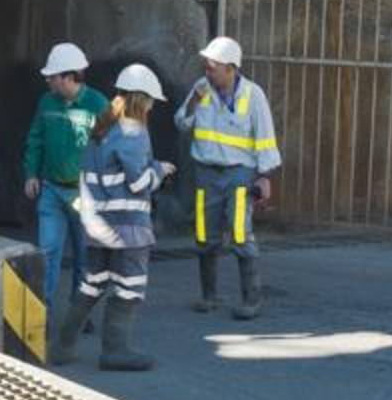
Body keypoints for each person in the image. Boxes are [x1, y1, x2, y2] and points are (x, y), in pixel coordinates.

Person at [51, 64, 175, 371]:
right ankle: (115, 351)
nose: (151, 108)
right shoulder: (135, 130)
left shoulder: (103, 128)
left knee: (92, 284)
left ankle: (63, 347)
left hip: (98, 226)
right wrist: (160, 170)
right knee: (129, 286)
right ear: (141, 99)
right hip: (128, 228)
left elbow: (108, 173)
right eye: (150, 102)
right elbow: (137, 183)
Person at [173, 36, 280, 319]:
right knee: (204, 236)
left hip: (239, 175)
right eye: (206, 67)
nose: (207, 72)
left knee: (240, 234)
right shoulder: (201, 90)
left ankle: (251, 300)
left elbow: (265, 138)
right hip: (206, 174)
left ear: (231, 69)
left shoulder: (253, 95)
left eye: (213, 67)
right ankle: (209, 296)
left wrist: (264, 176)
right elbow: (181, 123)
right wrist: (194, 101)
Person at [22, 42, 109, 312]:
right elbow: (35, 139)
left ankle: (79, 316)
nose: (48, 80)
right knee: (47, 255)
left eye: (53, 76)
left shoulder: (98, 105)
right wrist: (30, 174)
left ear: (69, 77)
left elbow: (111, 149)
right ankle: (42, 319)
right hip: (51, 190)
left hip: (86, 195)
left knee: (85, 258)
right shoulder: (46, 102)